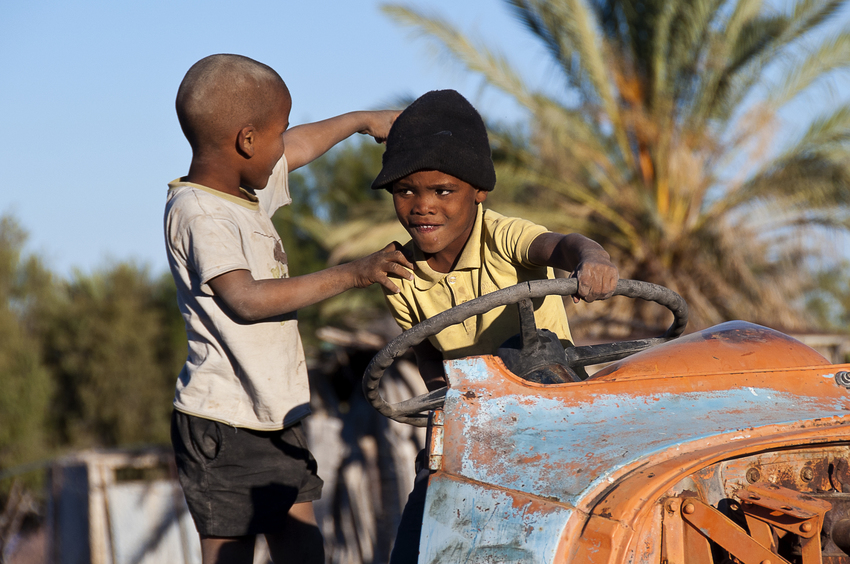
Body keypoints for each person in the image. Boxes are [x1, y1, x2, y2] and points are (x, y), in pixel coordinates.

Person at [164, 54, 413, 564]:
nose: (285, 146)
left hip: (275, 416)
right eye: (277, 133)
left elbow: (300, 145)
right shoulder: (201, 212)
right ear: (246, 140)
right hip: (223, 423)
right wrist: (354, 273)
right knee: (229, 554)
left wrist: (363, 121)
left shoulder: (242, 192)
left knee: (302, 547)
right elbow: (245, 299)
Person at [370, 89, 619, 563]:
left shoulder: (502, 236)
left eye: (443, 191)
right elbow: (430, 359)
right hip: (476, 426)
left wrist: (594, 259)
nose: (422, 206)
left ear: (479, 191)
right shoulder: (399, 274)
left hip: (551, 413)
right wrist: (447, 418)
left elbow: (562, 244)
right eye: (406, 191)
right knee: (417, 539)